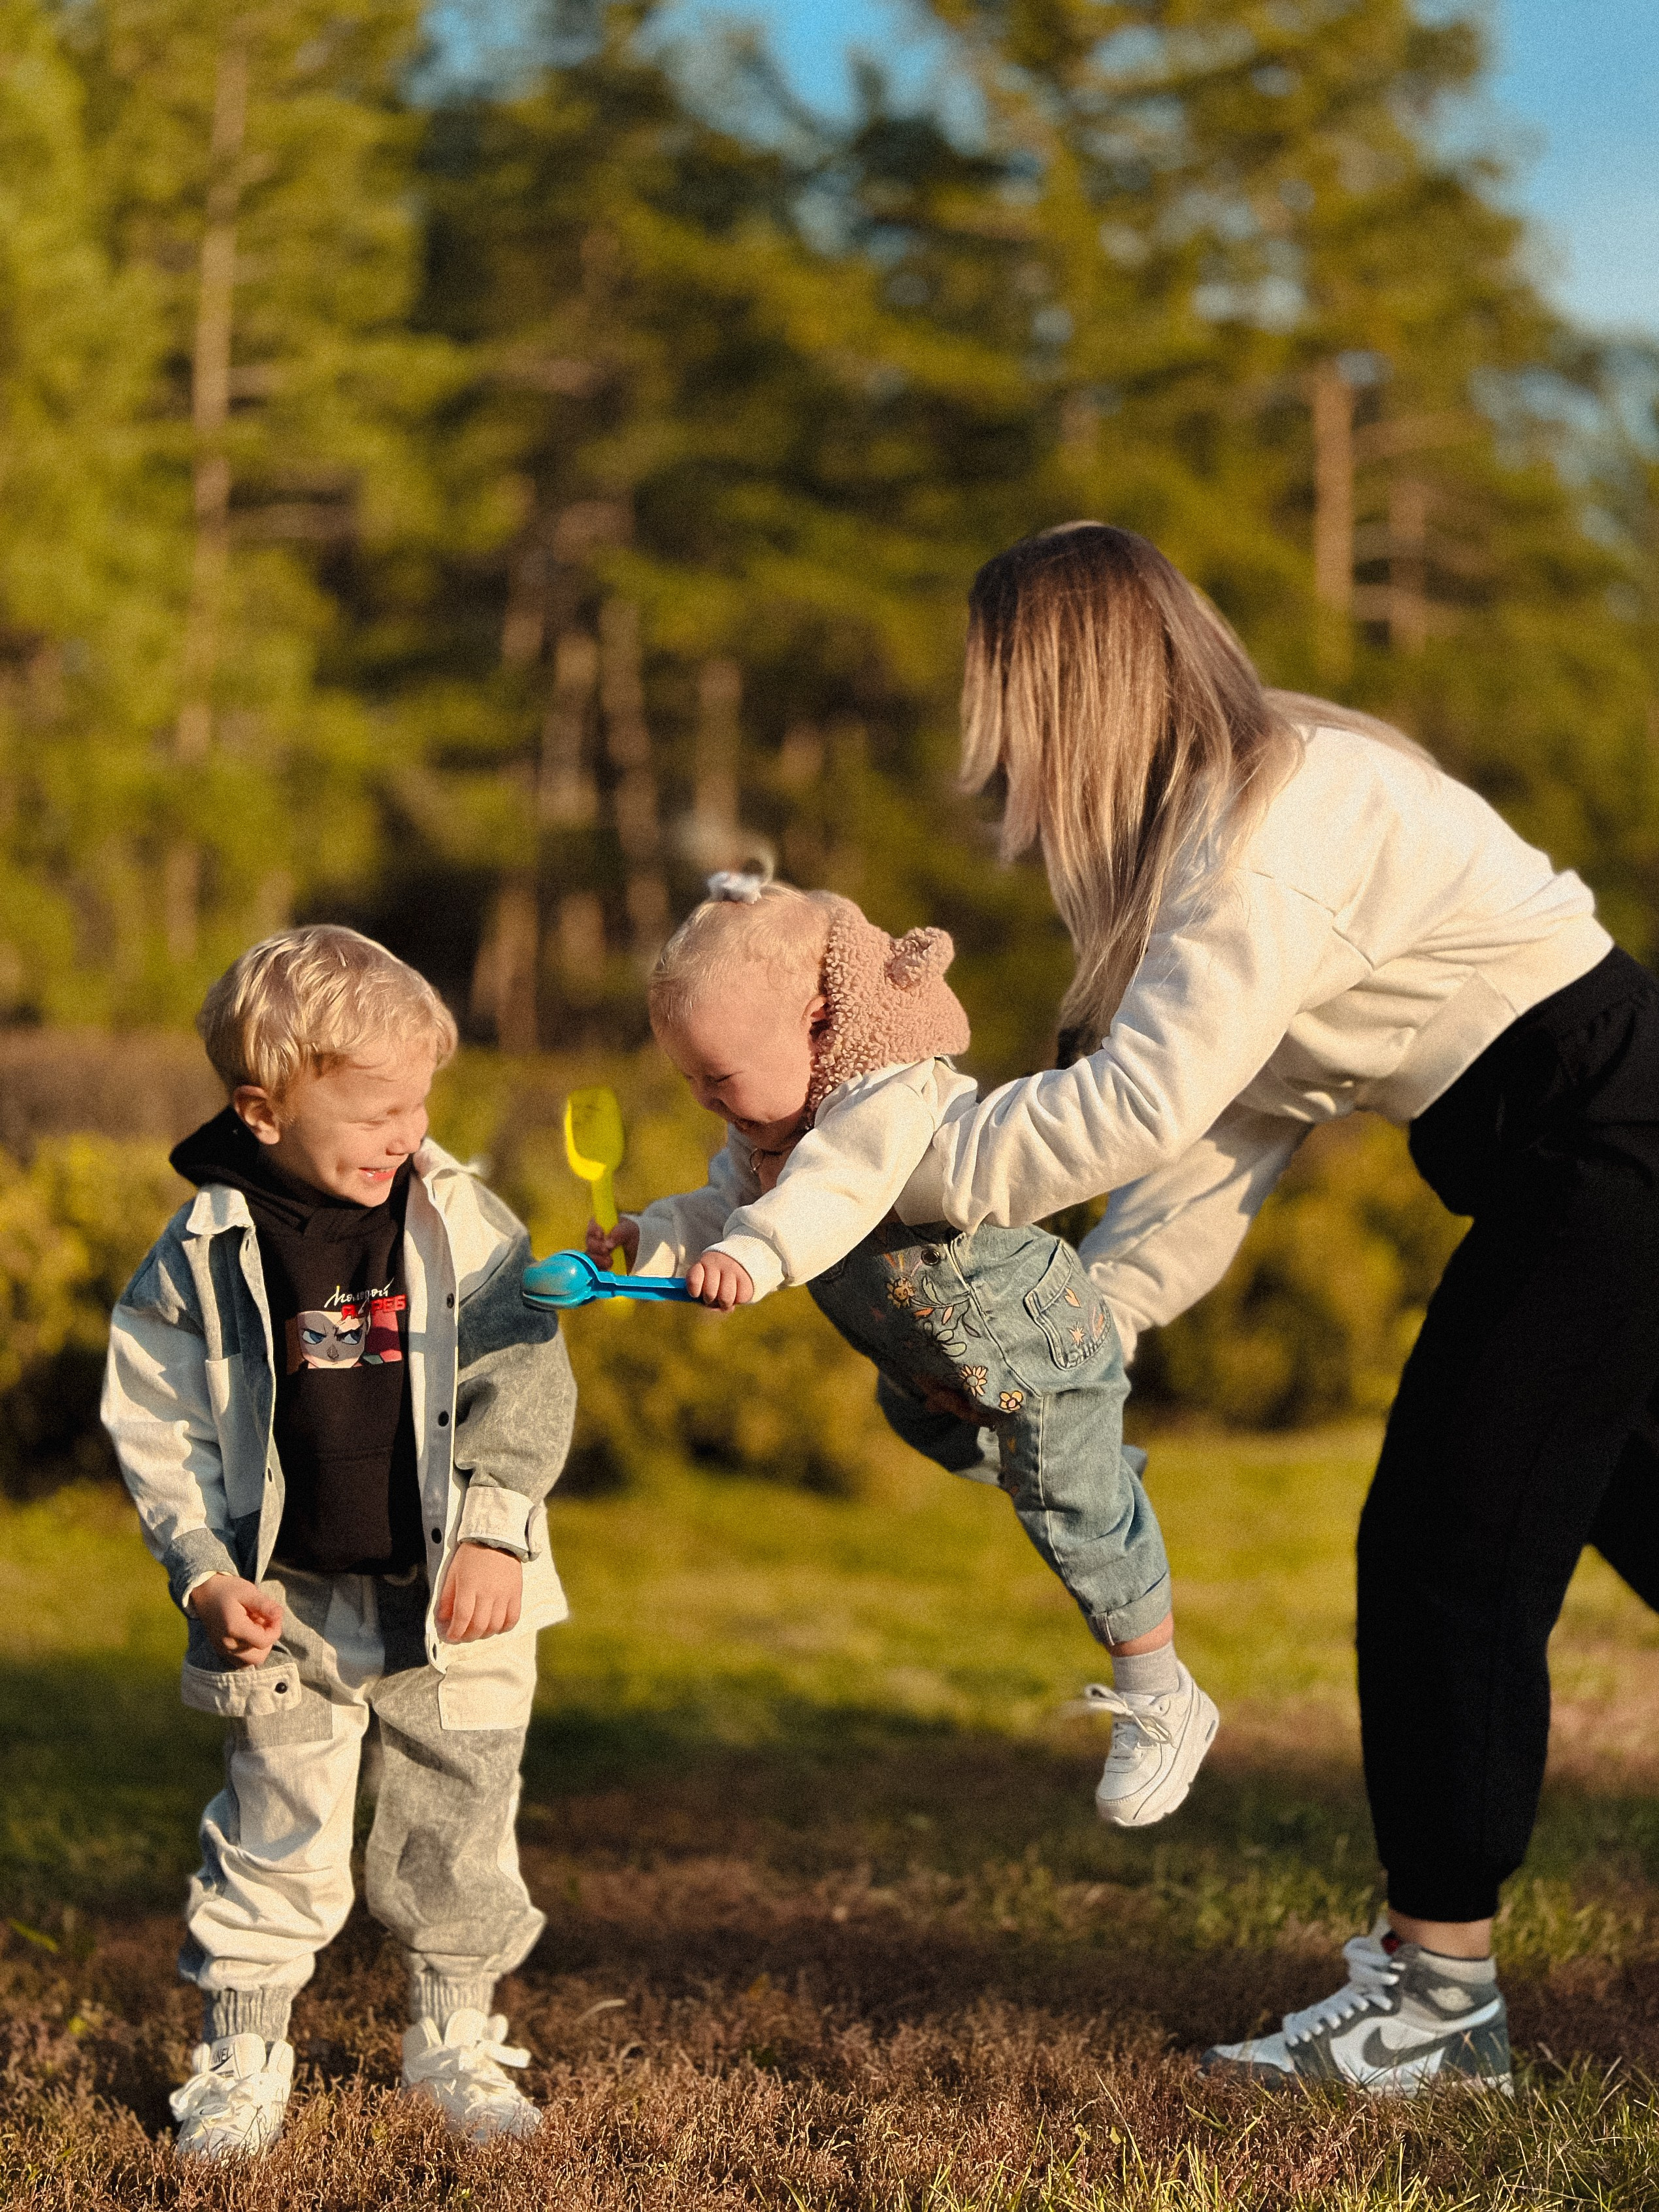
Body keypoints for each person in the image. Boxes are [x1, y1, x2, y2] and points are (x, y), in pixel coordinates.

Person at [897, 518, 1659, 2094]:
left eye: (1009, 711)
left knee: (1451, 1537)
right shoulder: (1211, 841)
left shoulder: (1274, 825)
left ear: (1070, 689)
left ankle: (1437, 2004)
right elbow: (1214, 1134)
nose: (1001, 763)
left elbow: (1126, 1108)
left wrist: (882, 1164)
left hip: (1612, 1142)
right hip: (1575, 1154)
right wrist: (1081, 1327)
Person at [587, 870, 1220, 1830]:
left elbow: (835, 1189)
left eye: (720, 1076)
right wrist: (656, 1238)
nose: (709, 1102)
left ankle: (1163, 1694)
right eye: (690, 1082)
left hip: (1037, 1349)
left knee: (1070, 1510)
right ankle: (1093, 1479)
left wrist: (754, 1256)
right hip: (941, 1367)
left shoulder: (886, 1099)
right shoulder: (767, 1130)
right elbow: (730, 1202)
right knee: (916, 1420)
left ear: (817, 1025)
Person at [101, 926, 575, 2160]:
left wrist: (494, 1531)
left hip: (452, 1594)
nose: (407, 1134)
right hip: (286, 1599)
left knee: (460, 1820)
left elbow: (525, 1381)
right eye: (376, 1111)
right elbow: (156, 1422)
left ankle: (454, 2037)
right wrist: (202, 1567)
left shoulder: (459, 1218)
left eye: (421, 1104)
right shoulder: (201, 1252)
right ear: (263, 1108)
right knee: (275, 1820)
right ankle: (245, 2047)